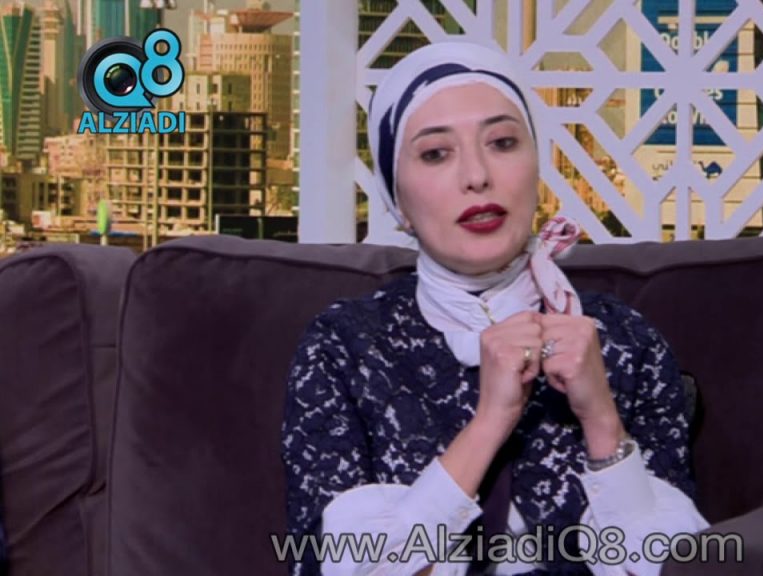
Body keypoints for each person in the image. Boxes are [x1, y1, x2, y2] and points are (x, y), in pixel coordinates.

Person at [281, 40, 708, 576]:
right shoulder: (344, 346)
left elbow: (681, 565)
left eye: (503, 142)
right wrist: (491, 421)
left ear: (535, 168)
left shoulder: (623, 340)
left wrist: (601, 420)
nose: (477, 175)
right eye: (436, 153)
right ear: (399, 202)